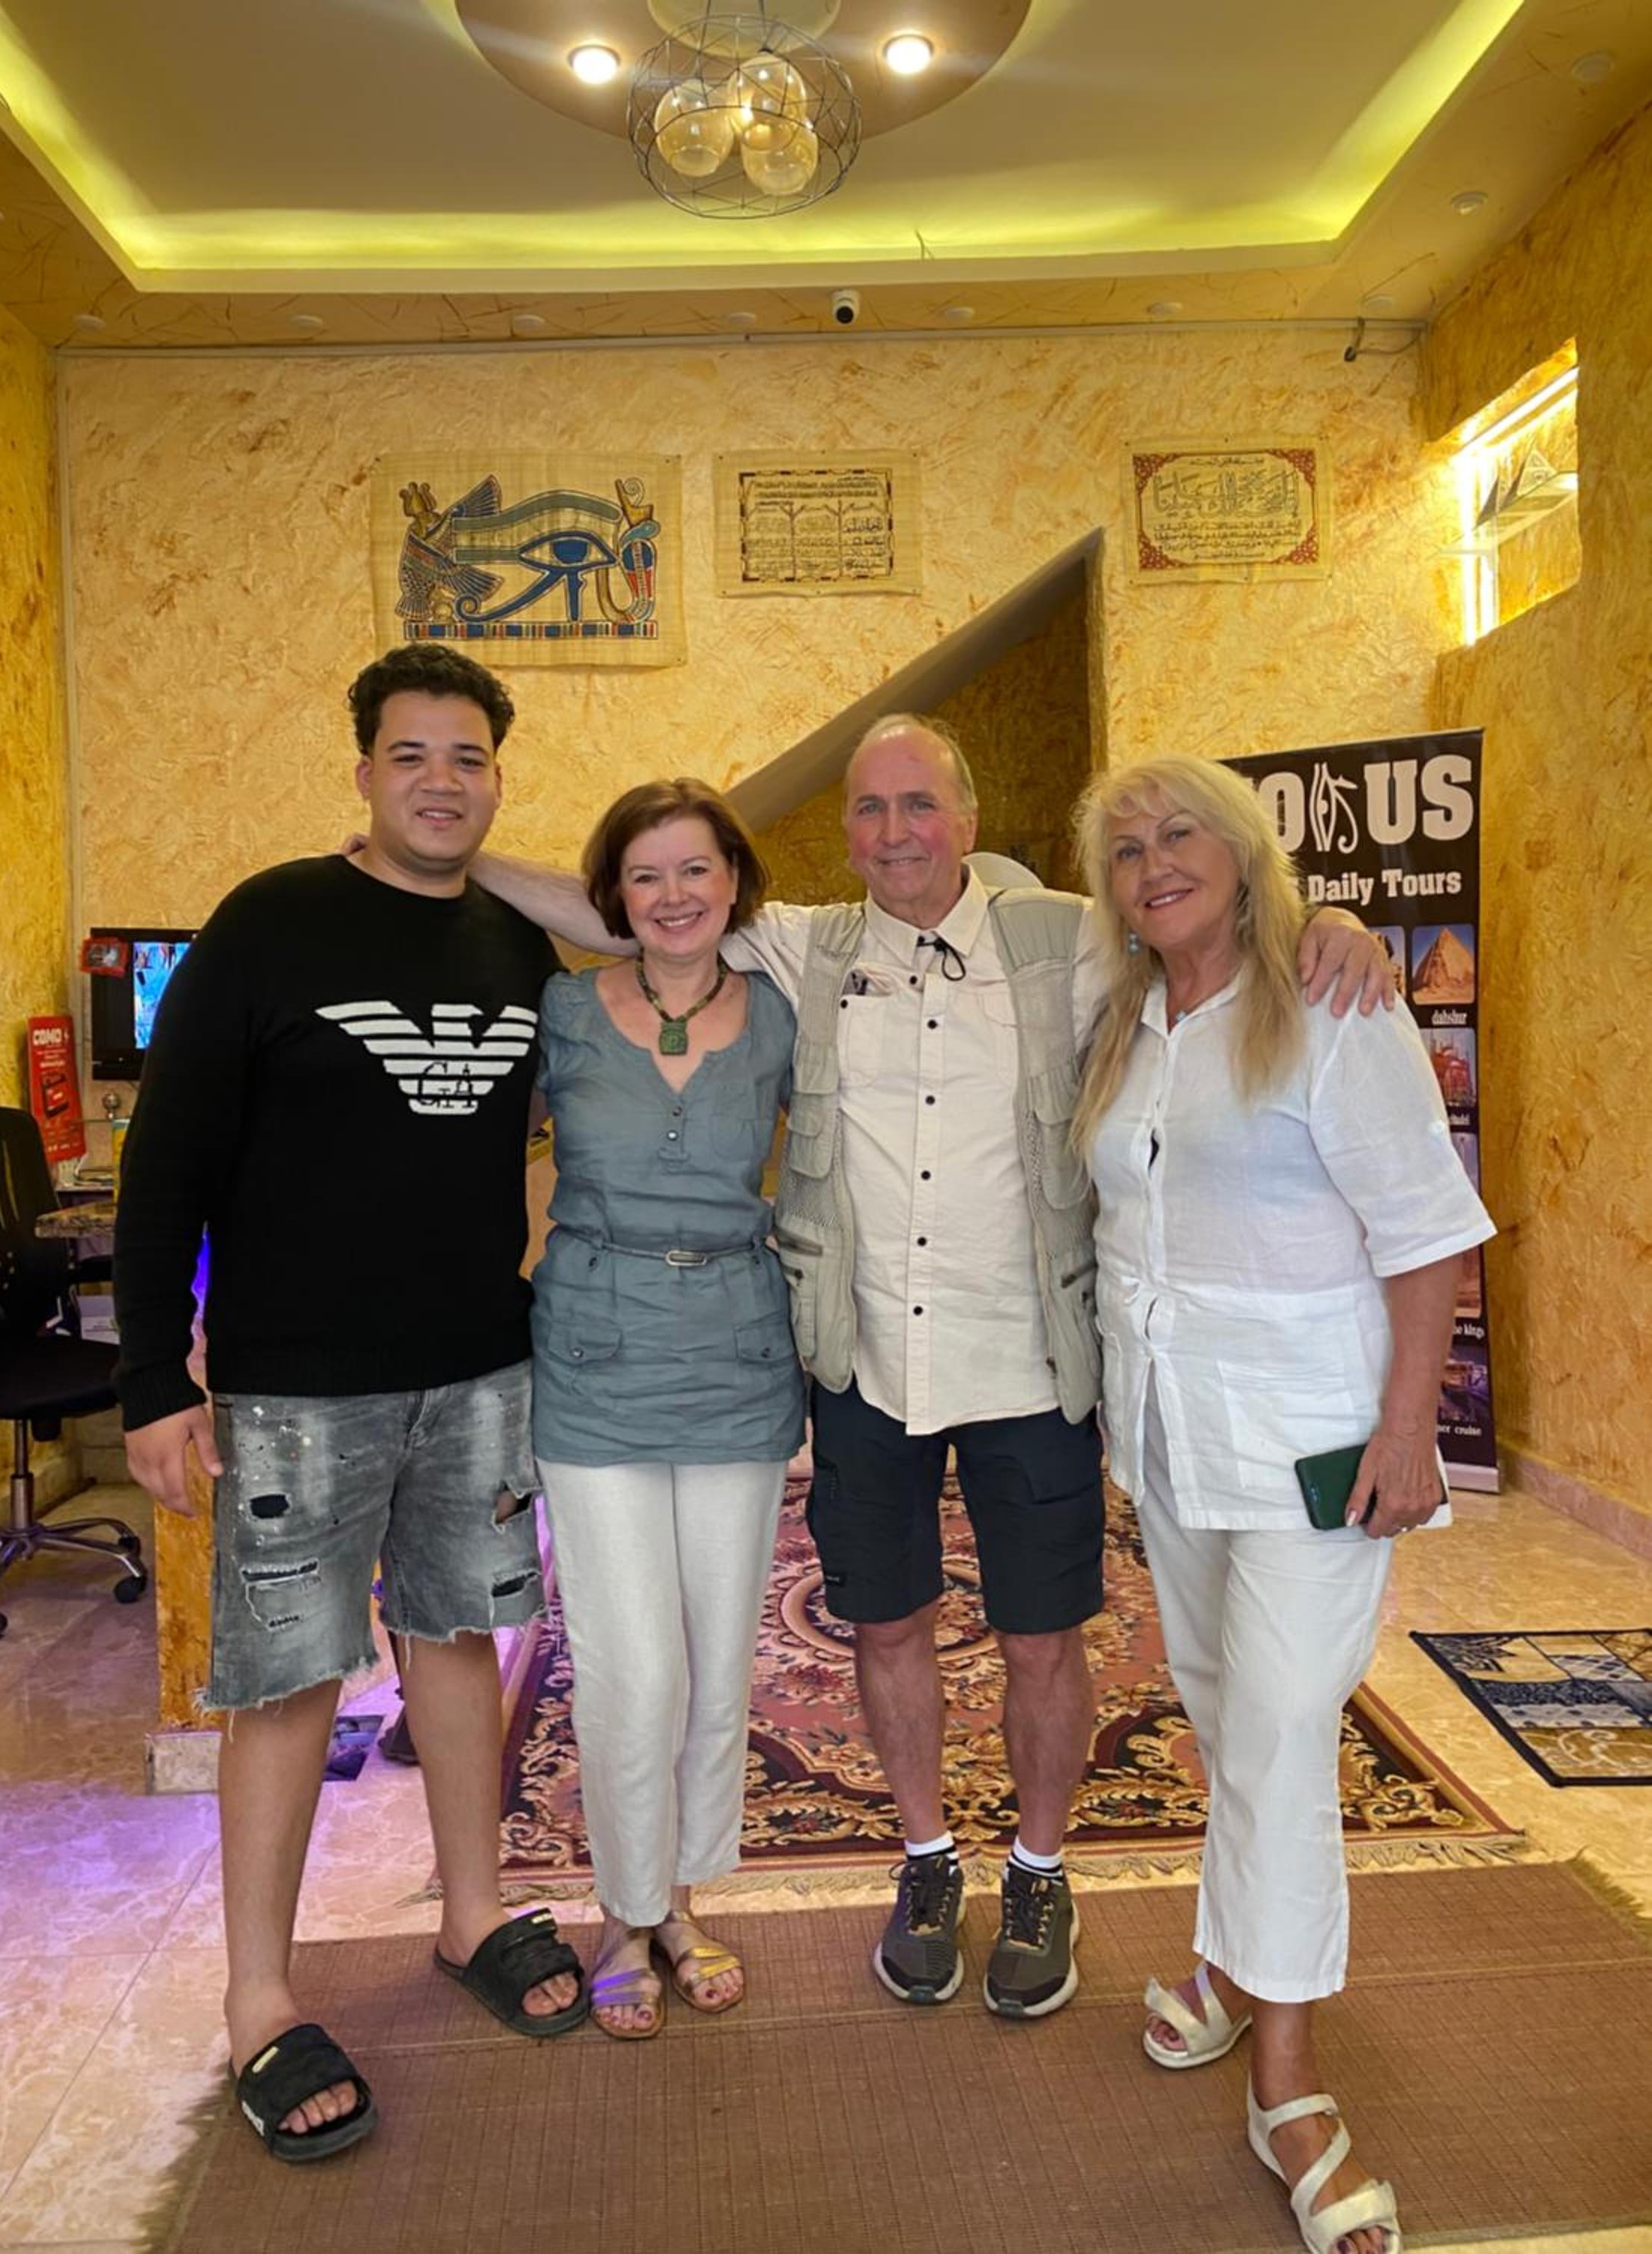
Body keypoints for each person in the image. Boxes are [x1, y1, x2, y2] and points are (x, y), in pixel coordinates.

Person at [466, 714, 1395, 2023]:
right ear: (843, 835)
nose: (893, 830)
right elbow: (628, 910)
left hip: (1029, 1362)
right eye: (868, 809)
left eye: (917, 805)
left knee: (1040, 1638)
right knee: (886, 1624)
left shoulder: (1070, 935)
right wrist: (456, 854)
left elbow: (1206, 923)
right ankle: (923, 1861)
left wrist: (1330, 923)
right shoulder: (805, 947)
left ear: (966, 818)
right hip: (865, 1364)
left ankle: (1038, 1874)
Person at [113, 645, 587, 2165]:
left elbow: (656, 923)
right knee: (288, 1683)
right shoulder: (270, 921)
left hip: (478, 1367)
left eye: (469, 757)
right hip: (297, 1383)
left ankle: (470, 1915)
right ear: (363, 769)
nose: (440, 781)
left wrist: (493, 869)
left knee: (457, 1643)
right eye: (411, 756)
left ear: (498, 777)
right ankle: (259, 1999)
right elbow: (165, 1162)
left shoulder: (521, 945)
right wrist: (150, 1377)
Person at [1071, 754, 1493, 2254]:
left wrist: (1409, 1429)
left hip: (1317, 1446)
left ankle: (1288, 2085)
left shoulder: (1335, 1005)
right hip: (1173, 1440)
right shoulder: (1121, 1018)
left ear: (1247, 850)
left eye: (1181, 832)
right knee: (1219, 1710)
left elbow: (1427, 1233)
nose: (1154, 863)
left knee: (1280, 1734)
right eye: (1126, 848)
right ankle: (1236, 1969)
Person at [530, 779, 803, 2038]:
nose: (674, 895)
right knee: (628, 1664)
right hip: (594, 1352)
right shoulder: (565, 1011)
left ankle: (678, 1902)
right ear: (612, 898)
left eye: (696, 869)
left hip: (739, 1354)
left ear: (735, 883)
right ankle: (622, 1911)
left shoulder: (784, 1008)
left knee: (713, 1658)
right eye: (645, 875)